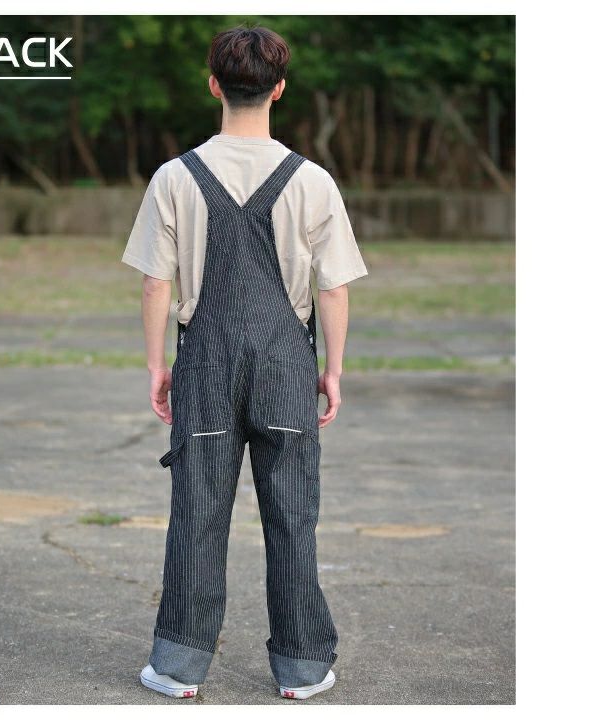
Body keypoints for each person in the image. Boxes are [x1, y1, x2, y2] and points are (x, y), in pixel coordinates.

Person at [121, 25, 368, 701]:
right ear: (279, 89)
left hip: (204, 366)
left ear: (214, 86)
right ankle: (302, 668)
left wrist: (156, 365)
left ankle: (178, 667)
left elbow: (156, 283)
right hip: (287, 367)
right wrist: (332, 369)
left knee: (197, 513)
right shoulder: (312, 181)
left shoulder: (174, 178)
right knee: (293, 515)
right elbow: (333, 288)